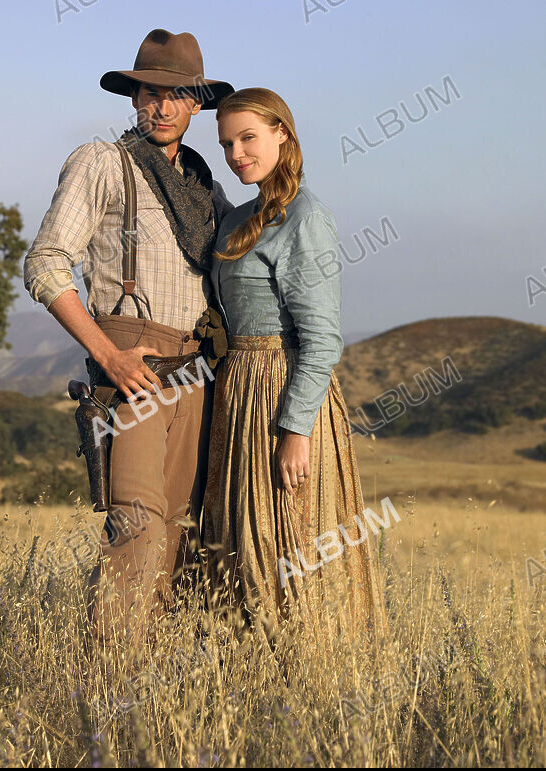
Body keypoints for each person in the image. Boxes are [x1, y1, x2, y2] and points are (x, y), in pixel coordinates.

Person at [22, 29, 234, 658]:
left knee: (180, 538)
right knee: (136, 531)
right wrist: (108, 356)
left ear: (196, 103)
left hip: (196, 370)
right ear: (135, 97)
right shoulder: (102, 161)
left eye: (177, 94)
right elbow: (45, 264)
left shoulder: (202, 184)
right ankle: (105, 694)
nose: (163, 106)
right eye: (150, 92)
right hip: (131, 366)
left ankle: (155, 696)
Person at [201, 87, 388, 645]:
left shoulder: (306, 217)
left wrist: (296, 430)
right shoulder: (235, 219)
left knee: (291, 540)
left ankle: (312, 673)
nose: (236, 154)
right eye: (227, 143)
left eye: (248, 138)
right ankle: (251, 672)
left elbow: (323, 340)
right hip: (238, 393)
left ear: (282, 132)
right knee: (240, 541)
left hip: (285, 395)